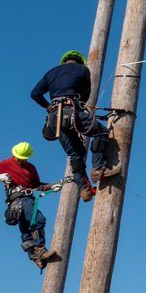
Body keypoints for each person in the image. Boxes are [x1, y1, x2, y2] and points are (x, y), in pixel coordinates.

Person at [30, 50, 110, 201]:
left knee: (75, 153)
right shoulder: (82, 70)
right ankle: (98, 168)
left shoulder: (50, 73)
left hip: (55, 118)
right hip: (72, 110)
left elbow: (35, 94)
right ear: (79, 61)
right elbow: (86, 93)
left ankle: (83, 188)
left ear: (64, 61)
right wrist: (80, 105)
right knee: (101, 133)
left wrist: (48, 106)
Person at [0, 142, 63, 269]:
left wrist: (51, 187)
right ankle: (39, 250)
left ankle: (36, 257)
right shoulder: (7, 163)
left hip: (27, 198)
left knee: (27, 228)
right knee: (38, 220)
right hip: (18, 200)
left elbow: (37, 186)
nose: (18, 159)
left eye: (21, 158)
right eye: (17, 157)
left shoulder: (30, 168)